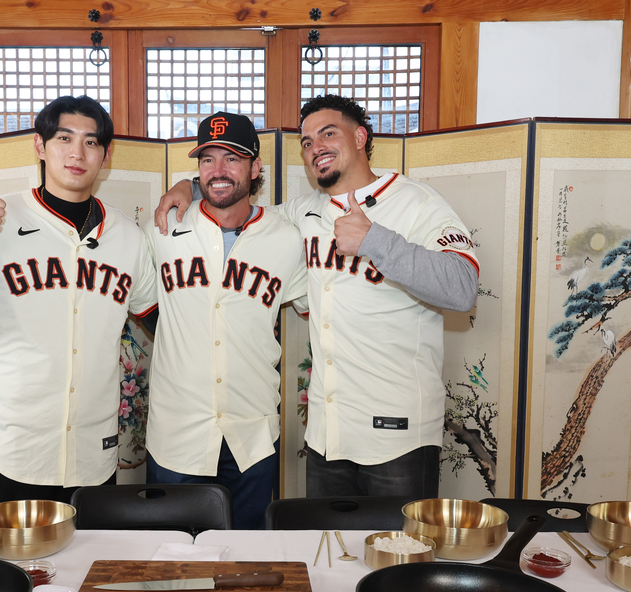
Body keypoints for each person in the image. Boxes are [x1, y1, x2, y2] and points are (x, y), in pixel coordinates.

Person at [155, 94, 479, 499]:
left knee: (398, 556)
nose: (316, 147)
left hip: (398, 435)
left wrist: (375, 240)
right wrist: (189, 186)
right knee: (328, 555)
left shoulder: (416, 201)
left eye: (329, 133)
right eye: (307, 142)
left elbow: (463, 288)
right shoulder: (301, 214)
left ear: (361, 136)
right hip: (327, 435)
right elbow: (235, 205)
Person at [0, 95, 155, 506]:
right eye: (64, 138)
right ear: (40, 147)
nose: (77, 152)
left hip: (95, 452)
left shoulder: (128, 236)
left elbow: (162, 317)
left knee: (92, 567)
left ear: (106, 155)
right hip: (18, 451)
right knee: (15, 568)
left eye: (92, 142)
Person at [137, 112, 307, 529]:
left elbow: (319, 310)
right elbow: (144, 307)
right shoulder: (162, 228)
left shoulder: (286, 237)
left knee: (245, 557)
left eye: (232, 158)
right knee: (173, 559)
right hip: (178, 432)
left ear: (255, 167)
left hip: (250, 434)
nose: (218, 170)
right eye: (207, 159)